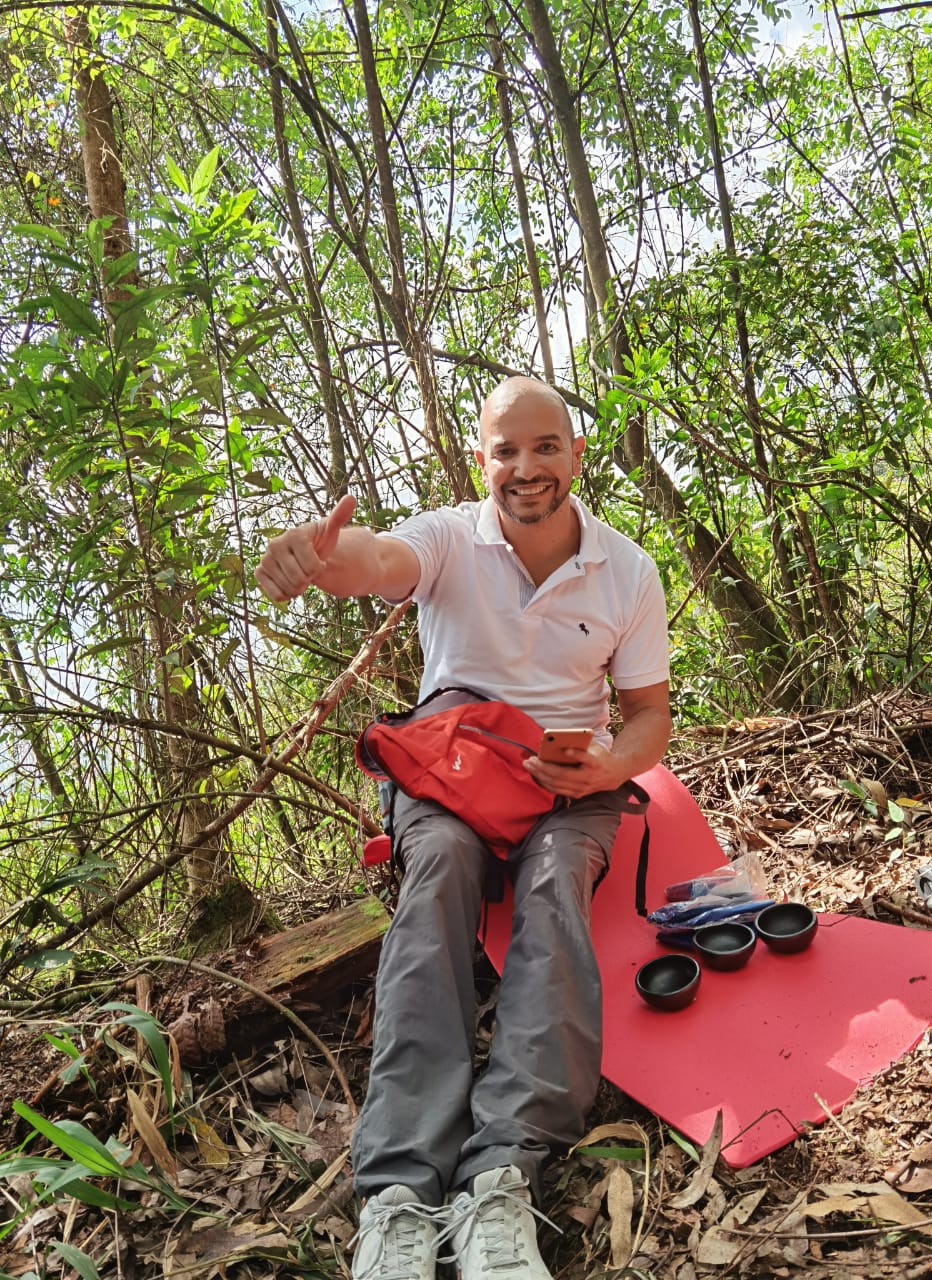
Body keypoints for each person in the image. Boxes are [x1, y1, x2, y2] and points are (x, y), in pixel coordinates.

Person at [254, 376, 671, 1280]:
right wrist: (322, 561)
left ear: (575, 455)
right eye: (506, 451)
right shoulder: (449, 537)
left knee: (555, 886)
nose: (527, 468)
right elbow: (376, 560)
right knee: (436, 871)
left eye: (545, 447)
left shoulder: (627, 569)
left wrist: (606, 766)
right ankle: (399, 1196)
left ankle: (501, 1182)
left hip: (566, 780)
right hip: (454, 762)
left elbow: (647, 714)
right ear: (481, 461)